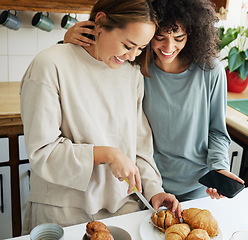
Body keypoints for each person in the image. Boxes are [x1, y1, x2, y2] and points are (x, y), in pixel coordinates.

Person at [20, 0, 180, 235]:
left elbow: (140, 148)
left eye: (140, 48)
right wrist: (108, 154)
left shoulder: (131, 74)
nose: (131, 55)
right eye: (128, 44)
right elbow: (43, 152)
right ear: (101, 22)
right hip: (62, 211)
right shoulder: (50, 64)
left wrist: (154, 190)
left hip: (122, 208)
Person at [64, 0, 244, 202]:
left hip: (198, 185)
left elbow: (217, 131)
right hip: (147, 183)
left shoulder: (210, 71)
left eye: (179, 38)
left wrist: (219, 168)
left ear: (192, 34)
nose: (169, 46)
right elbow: (93, 70)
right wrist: (70, 42)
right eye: (160, 37)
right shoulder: (134, 65)